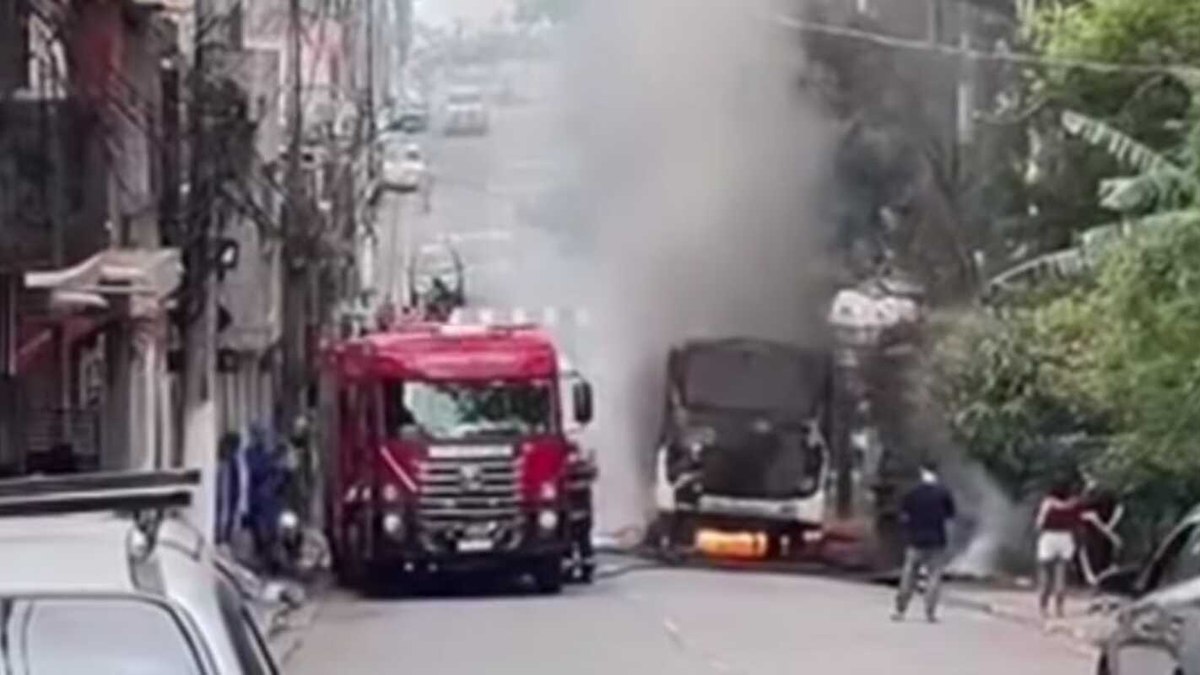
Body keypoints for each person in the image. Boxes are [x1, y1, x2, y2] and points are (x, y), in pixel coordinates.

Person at [893, 462, 957, 623]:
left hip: (915, 540)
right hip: (936, 541)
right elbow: (950, 516)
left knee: (908, 575)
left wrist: (909, 527)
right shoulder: (943, 493)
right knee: (934, 577)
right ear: (937, 473)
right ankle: (930, 612)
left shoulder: (913, 493)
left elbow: (903, 515)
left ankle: (901, 609)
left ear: (922, 472)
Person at [1036, 479, 1081, 618]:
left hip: (1049, 538)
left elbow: (1039, 523)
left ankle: (1043, 609)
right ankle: (1059, 609)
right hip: (1066, 538)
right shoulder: (1074, 503)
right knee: (1061, 576)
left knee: (1045, 575)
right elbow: (1078, 522)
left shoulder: (1048, 503)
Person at [1079, 476, 1124, 588]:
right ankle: (1093, 578)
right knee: (1088, 554)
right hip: (1090, 532)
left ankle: (1102, 581)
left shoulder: (1106, 493)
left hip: (1101, 532)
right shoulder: (1083, 495)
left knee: (1107, 557)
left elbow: (1119, 508)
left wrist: (1110, 526)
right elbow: (1086, 516)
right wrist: (1108, 530)